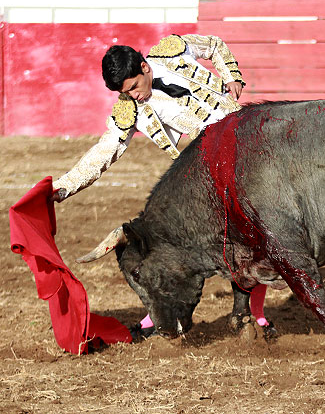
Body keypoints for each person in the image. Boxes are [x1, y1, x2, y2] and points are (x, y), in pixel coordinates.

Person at [51, 34, 275, 336]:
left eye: (133, 87)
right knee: (169, 243)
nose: (133, 96)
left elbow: (214, 45)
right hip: (204, 172)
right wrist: (64, 186)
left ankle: (256, 315)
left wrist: (232, 76)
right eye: (124, 93)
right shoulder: (129, 110)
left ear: (144, 67)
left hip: (246, 142)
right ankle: (156, 316)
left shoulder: (171, 50)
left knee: (255, 234)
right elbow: (105, 151)